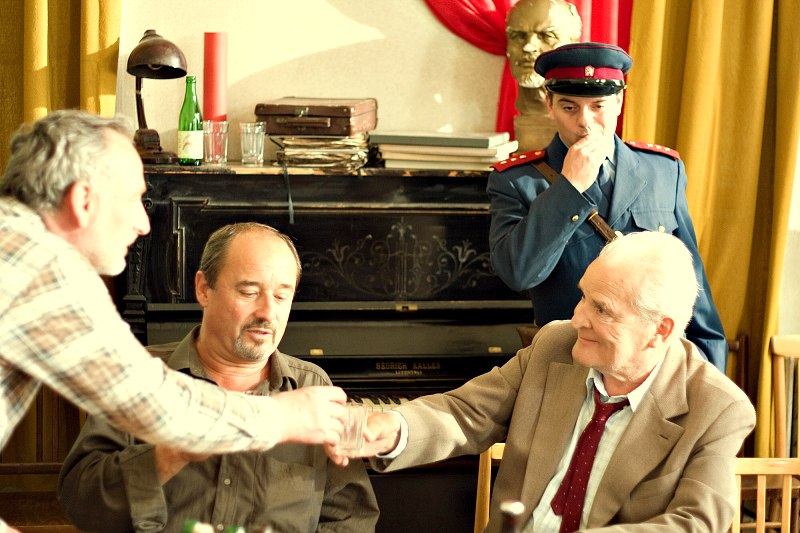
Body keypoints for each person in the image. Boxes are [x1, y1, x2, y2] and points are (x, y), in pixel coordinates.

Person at [0, 110, 347, 531]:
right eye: (133, 199)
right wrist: (283, 417)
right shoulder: (43, 267)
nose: (144, 223)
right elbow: (157, 406)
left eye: (281, 294)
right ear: (83, 200)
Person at [335, 231, 755, 533]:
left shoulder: (716, 408)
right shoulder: (556, 345)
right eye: (583, 296)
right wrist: (390, 426)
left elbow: (696, 521)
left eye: (602, 309)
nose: (577, 318)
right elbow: (465, 413)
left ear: (659, 331)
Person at [58, 222, 379, 532]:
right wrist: (172, 452)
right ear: (203, 289)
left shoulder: (312, 386)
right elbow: (84, 505)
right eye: (249, 291)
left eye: (282, 296)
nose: (268, 313)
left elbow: (350, 517)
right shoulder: (137, 374)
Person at [487, 42, 728, 371]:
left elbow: (691, 283)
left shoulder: (662, 170)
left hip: (654, 369)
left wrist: (708, 373)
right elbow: (518, 273)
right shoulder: (518, 180)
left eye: (598, 106)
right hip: (568, 364)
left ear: (618, 102)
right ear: (549, 105)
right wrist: (569, 187)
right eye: (569, 107)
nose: (585, 122)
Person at [506, 0, 582, 151]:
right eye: (518, 36)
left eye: (547, 36)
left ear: (573, 43)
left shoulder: (584, 114)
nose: (528, 47)